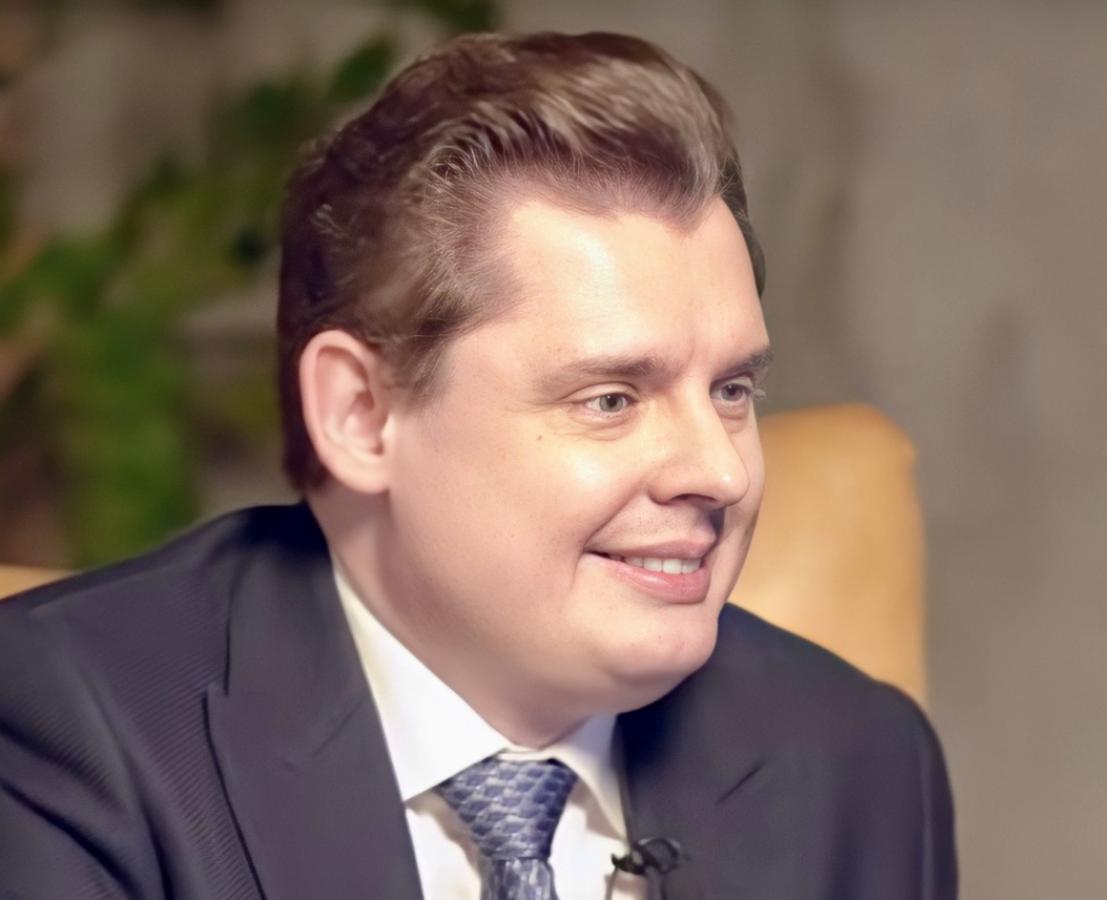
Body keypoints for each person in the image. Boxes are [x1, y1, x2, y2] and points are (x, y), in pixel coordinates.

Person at [0, 31, 955, 900]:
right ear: (361, 414)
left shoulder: (858, 763)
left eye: (732, 391)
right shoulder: (67, 731)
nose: (722, 472)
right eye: (611, 399)